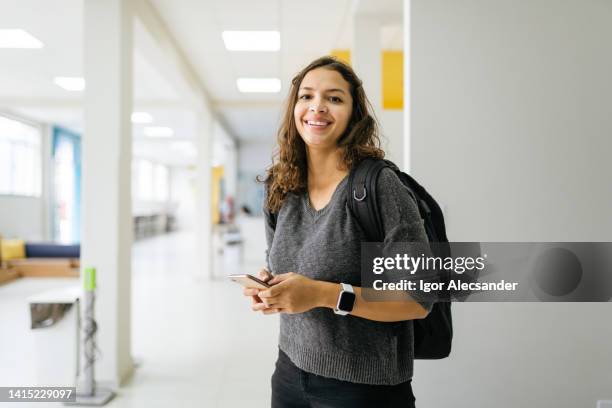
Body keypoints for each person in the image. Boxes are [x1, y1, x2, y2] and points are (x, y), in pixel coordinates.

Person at [243, 56, 432, 408]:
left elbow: (419, 299)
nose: (317, 107)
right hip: (289, 371)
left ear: (354, 115)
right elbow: (283, 263)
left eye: (334, 98)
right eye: (307, 96)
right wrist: (271, 287)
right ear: (294, 108)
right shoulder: (282, 186)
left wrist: (323, 294)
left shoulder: (377, 187)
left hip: (363, 389)